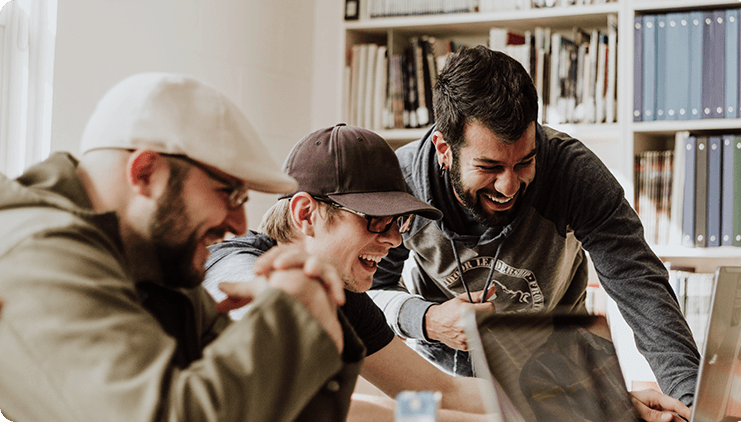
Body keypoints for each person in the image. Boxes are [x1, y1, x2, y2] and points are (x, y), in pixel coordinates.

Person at [0, 73, 364, 422]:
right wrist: (293, 312)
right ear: (145, 172)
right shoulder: (39, 255)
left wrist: (317, 315)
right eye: (230, 193)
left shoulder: (158, 266)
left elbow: (267, 409)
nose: (240, 223)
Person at [368, 45, 698, 420]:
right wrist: (426, 320)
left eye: (524, 162)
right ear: (444, 148)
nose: (508, 186)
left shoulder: (573, 173)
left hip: (557, 377)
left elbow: (639, 283)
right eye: (489, 167)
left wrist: (692, 400)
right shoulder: (402, 181)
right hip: (441, 381)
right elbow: (368, 291)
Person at [204, 124, 494, 422]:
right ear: (305, 214)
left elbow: (442, 390)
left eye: (399, 221)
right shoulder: (235, 268)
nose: (395, 240)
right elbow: (306, 410)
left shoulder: (342, 293)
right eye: (376, 219)